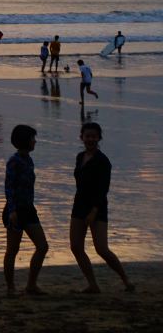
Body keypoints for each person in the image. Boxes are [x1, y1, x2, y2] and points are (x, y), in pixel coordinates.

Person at [70, 122, 133, 293]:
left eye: (94, 136)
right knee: (76, 247)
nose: (90, 139)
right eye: (87, 136)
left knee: (102, 249)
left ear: (99, 138)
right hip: (79, 206)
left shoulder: (103, 161)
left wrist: (94, 211)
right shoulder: (79, 157)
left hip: (97, 207)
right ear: (81, 137)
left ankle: (126, 280)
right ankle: (92, 284)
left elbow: (103, 189)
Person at [3, 124, 48, 295]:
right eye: (32, 138)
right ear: (25, 141)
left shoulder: (28, 159)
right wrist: (12, 211)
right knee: (12, 250)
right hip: (16, 211)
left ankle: (31, 285)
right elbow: (9, 187)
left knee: (42, 246)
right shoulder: (14, 161)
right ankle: (10, 287)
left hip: (29, 209)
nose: (35, 141)